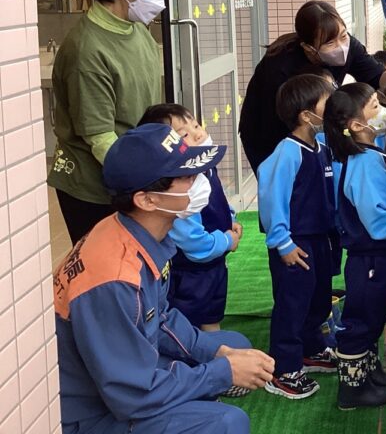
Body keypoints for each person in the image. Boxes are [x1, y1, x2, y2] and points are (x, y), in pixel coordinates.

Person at [53, 123, 274, 434]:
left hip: (128, 365)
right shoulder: (113, 280)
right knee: (228, 423)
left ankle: (194, 403)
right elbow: (131, 395)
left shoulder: (136, 231)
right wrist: (220, 373)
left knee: (231, 344)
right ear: (146, 200)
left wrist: (216, 356)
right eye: (186, 176)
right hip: (95, 411)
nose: (199, 181)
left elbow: (161, 318)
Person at [48, 0, 173, 243]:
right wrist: (152, 180)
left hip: (133, 171)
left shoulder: (135, 28)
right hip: (95, 187)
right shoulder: (86, 51)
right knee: (111, 277)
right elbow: (100, 137)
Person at [240, 0, 386, 171]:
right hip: (269, 134)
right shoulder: (281, 65)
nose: (341, 46)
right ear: (309, 48)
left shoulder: (350, 47)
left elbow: (378, 80)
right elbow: (288, 121)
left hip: (313, 128)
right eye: (329, 43)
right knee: (286, 187)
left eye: (343, 36)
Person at [323, 85, 386, 409]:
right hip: (372, 256)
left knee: (376, 315)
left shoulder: (369, 155)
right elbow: (379, 222)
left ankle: (371, 374)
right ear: (357, 125)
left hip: (376, 255)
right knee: (362, 321)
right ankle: (353, 389)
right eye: (375, 106)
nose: (383, 109)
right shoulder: (365, 162)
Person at [257, 73, 340, 400]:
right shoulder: (287, 152)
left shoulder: (321, 146)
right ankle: (284, 368)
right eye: (327, 103)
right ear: (306, 115)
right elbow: (271, 199)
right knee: (293, 304)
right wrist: (283, 242)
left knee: (319, 297)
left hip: (321, 239)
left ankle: (312, 348)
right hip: (296, 243)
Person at [138, 104, 241, 333]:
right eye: (185, 134)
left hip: (214, 265)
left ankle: (214, 355)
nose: (198, 133)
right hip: (192, 274)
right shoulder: (179, 188)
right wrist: (226, 240)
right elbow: (194, 243)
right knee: (188, 323)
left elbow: (218, 200)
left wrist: (229, 218)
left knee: (212, 315)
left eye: (196, 125)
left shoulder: (206, 169)